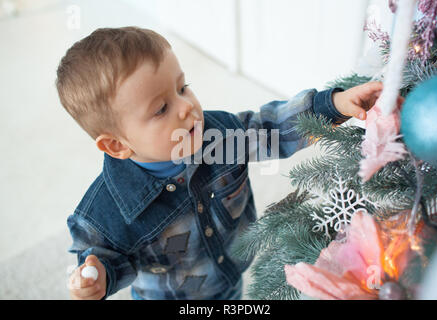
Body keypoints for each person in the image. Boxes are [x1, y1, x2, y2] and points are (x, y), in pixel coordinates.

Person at [56, 26, 385, 300]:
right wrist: (96, 276)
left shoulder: (220, 135)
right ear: (117, 144)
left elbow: (272, 127)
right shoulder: (106, 212)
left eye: (182, 87)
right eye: (161, 109)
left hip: (230, 277)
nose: (186, 107)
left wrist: (335, 105)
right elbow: (105, 256)